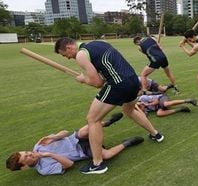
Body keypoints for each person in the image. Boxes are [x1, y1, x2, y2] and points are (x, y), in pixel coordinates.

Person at [54, 38, 164, 174]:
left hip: (118, 84)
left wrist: (84, 80)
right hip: (133, 80)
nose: (68, 58)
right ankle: (156, 134)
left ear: (69, 47)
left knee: (93, 119)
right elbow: (108, 70)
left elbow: (97, 83)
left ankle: (97, 163)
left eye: (65, 55)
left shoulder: (81, 55)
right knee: (129, 110)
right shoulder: (98, 43)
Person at [6, 113, 144, 176]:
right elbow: (69, 165)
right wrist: (49, 154)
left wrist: (54, 137)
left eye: (26, 152)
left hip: (75, 138)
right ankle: (128, 143)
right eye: (27, 157)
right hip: (83, 151)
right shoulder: (44, 169)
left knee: (86, 129)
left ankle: (107, 123)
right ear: (24, 167)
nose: (30, 153)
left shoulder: (39, 145)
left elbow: (65, 133)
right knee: (105, 155)